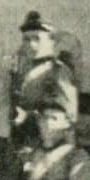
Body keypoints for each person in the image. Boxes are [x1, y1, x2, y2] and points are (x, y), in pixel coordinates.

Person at [10, 11, 78, 152]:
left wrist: (27, 116)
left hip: (47, 143)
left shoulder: (57, 71)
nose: (31, 44)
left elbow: (65, 114)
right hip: (22, 142)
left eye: (37, 39)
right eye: (26, 39)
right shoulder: (23, 69)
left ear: (52, 41)